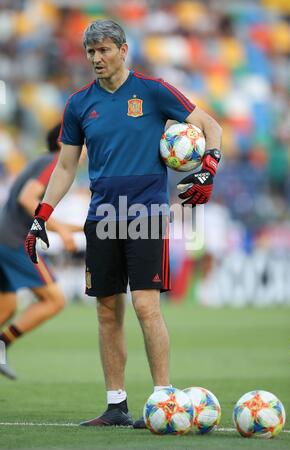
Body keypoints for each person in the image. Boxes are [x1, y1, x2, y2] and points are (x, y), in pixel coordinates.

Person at [25, 19, 222, 427]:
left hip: (146, 213)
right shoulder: (80, 103)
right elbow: (65, 166)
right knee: (106, 310)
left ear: (123, 49)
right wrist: (42, 215)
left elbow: (211, 126)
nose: (96, 58)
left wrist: (208, 168)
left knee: (146, 304)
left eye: (104, 50)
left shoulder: (153, 90)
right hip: (102, 215)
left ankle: (163, 400)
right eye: (90, 52)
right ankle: (117, 405)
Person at [0, 124, 78, 380]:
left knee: (8, 306)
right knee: (55, 299)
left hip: (6, 237)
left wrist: (76, 229)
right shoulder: (54, 161)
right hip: (14, 241)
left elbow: (36, 214)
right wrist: (64, 232)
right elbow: (27, 200)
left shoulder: (43, 162)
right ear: (62, 140)